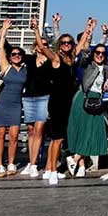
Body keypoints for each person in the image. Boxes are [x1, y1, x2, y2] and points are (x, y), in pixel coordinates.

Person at [31, 19, 76, 185]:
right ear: (59, 44)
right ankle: (53, 172)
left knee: (57, 138)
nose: (66, 44)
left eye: (69, 42)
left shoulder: (71, 58)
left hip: (67, 102)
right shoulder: (56, 59)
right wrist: (36, 30)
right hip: (57, 102)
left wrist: (89, 30)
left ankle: (50, 169)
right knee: (57, 138)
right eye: (63, 42)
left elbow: (83, 43)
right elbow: (42, 48)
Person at [67, 18, 108, 177]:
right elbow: (85, 51)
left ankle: (77, 161)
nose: (100, 55)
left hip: (97, 101)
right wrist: (88, 32)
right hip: (84, 99)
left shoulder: (107, 68)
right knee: (84, 131)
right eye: (97, 53)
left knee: (91, 132)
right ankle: (78, 162)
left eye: (103, 53)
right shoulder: (87, 64)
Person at [0, 19, 27, 177]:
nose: (17, 56)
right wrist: (4, 31)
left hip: (15, 106)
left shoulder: (26, 70)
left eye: (19, 54)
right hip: (1, 105)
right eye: (14, 54)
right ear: (10, 57)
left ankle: (11, 163)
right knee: (0, 135)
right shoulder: (6, 67)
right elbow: (1, 48)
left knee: (14, 136)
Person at [20, 23, 53, 178]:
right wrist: (4, 33)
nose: (42, 46)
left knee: (39, 130)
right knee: (31, 130)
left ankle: (33, 164)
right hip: (28, 98)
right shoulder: (30, 59)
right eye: (40, 44)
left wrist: (36, 32)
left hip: (43, 98)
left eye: (45, 44)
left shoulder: (51, 61)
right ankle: (30, 162)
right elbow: (8, 52)